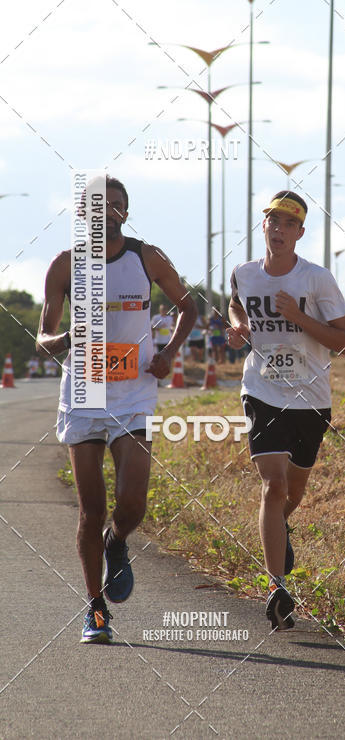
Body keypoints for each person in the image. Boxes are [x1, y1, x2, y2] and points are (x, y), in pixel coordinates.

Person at [36, 176, 197, 644]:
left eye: (118, 204)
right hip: (84, 393)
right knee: (91, 509)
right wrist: (65, 340)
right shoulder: (65, 265)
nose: (108, 210)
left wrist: (168, 353)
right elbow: (44, 335)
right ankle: (96, 610)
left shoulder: (147, 257)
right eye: (98, 204)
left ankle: (119, 540)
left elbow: (187, 307)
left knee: (132, 504)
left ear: (127, 212)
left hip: (134, 393)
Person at [227, 191, 345, 630]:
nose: (278, 229)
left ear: (300, 233)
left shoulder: (316, 280)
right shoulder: (243, 272)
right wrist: (241, 326)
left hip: (312, 398)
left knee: (292, 496)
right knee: (273, 486)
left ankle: (278, 536)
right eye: (271, 221)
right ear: (263, 227)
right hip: (262, 392)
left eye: (287, 223)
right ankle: (276, 585)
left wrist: (297, 318)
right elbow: (236, 302)